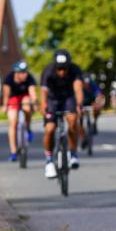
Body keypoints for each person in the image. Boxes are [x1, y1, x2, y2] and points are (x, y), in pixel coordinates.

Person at [39, 49, 85, 179]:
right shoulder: (48, 70)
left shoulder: (75, 70)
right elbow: (43, 92)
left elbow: (78, 88)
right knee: (50, 129)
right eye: (59, 69)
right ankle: (49, 161)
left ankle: (73, 153)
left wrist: (79, 104)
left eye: (65, 69)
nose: (62, 72)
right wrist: (43, 105)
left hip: (68, 98)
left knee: (72, 119)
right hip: (52, 99)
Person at [3, 61, 37, 161]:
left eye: (25, 72)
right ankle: (13, 151)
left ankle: (28, 128)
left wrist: (34, 104)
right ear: (16, 73)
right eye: (22, 72)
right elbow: (6, 95)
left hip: (24, 97)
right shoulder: (9, 78)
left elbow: (32, 93)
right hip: (13, 98)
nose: (25, 74)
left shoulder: (29, 78)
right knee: (13, 122)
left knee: (27, 106)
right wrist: (5, 106)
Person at [80, 73, 104, 139]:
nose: (86, 85)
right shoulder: (79, 86)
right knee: (79, 117)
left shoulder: (92, 84)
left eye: (88, 83)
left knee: (97, 109)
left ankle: (94, 122)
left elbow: (98, 93)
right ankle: (82, 134)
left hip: (91, 102)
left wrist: (98, 102)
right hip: (81, 103)